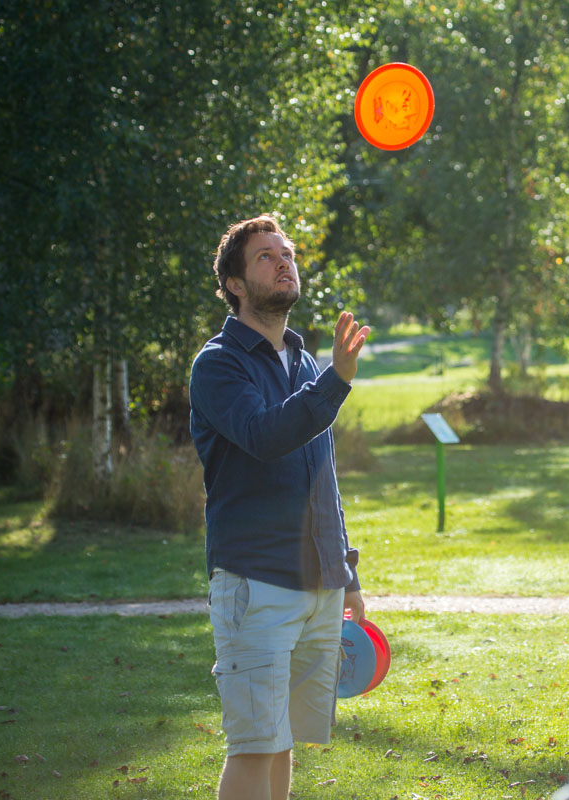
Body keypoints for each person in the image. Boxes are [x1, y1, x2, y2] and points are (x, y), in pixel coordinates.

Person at [188, 214, 370, 800]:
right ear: (236, 284)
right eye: (265, 256)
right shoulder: (218, 364)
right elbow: (265, 436)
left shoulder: (305, 362)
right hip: (254, 582)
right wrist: (336, 383)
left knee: (283, 739)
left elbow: (324, 479)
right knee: (253, 746)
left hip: (316, 583)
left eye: (286, 252)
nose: (283, 261)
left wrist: (346, 574)